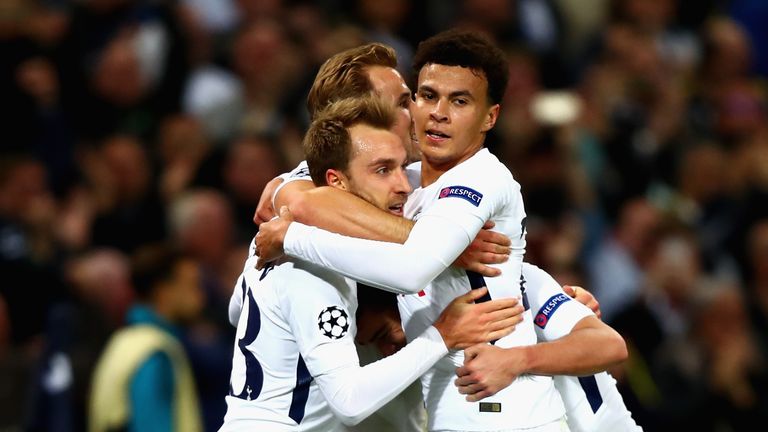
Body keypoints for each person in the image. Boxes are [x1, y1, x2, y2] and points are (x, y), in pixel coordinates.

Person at [257, 30, 627, 431]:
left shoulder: (480, 178)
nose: (439, 113)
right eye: (427, 96)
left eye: (460, 101)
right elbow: (321, 195)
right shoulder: (405, 183)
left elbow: (412, 268)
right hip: (454, 413)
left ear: (490, 117)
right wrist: (284, 185)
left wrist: (292, 237)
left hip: (506, 416)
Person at [221, 97, 524, 431]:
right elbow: (349, 402)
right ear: (336, 183)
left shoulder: (269, 244)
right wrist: (443, 335)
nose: (403, 186)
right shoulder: (315, 267)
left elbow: (236, 311)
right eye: (382, 170)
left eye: (400, 167)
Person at [89, 244, 205, 432]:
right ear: (164, 291)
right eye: (192, 285)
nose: (201, 297)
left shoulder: (121, 343)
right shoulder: (154, 352)